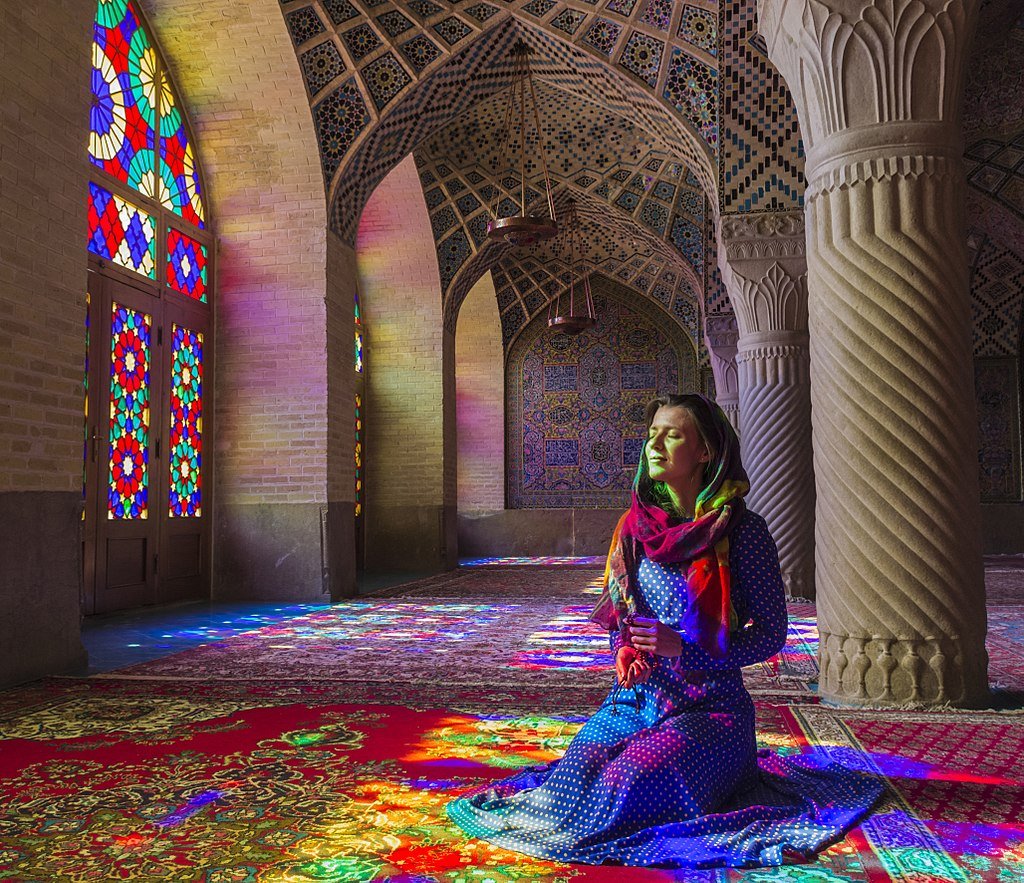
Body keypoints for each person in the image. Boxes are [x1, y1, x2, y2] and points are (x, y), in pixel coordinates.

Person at [447, 393, 883, 869]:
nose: (654, 444)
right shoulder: (635, 530)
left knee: (626, 787)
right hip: (637, 701)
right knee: (569, 781)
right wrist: (623, 651)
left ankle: (720, 774)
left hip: (711, 710)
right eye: (652, 433)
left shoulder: (743, 533)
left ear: (705, 452)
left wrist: (687, 649)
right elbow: (622, 612)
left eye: (671, 434)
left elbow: (771, 634)